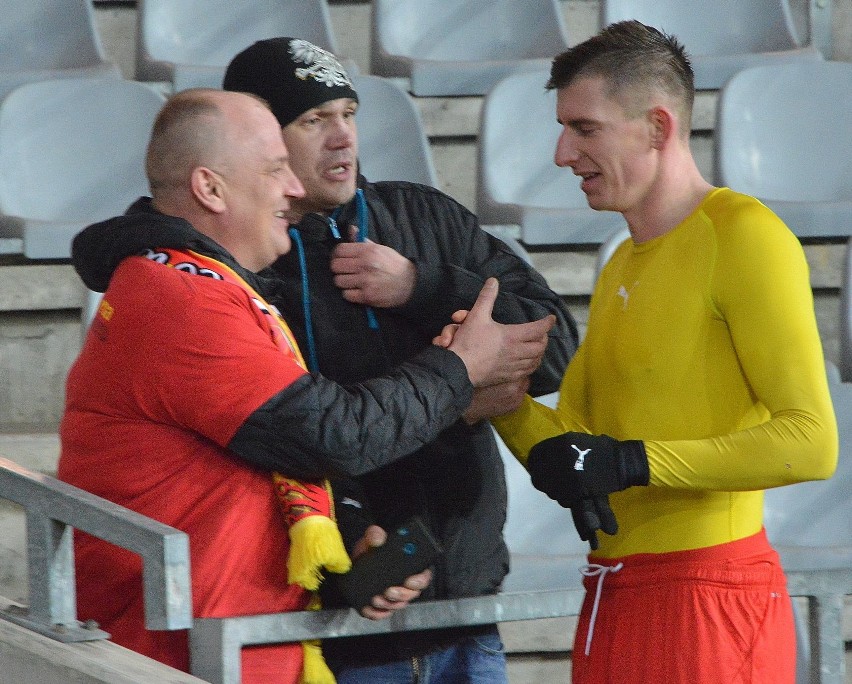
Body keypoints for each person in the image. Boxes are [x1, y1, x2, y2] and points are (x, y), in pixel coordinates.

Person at [57, 89, 555, 684]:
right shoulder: (180, 297)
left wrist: (344, 556)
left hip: (232, 645)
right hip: (185, 658)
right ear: (210, 189)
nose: (295, 190)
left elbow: (259, 463)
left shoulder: (203, 286)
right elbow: (331, 434)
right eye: (275, 171)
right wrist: (459, 367)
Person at [485, 20, 838, 684]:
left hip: (710, 595)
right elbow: (580, 456)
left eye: (584, 129)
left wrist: (630, 461)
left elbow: (812, 442)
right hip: (617, 590)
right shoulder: (622, 262)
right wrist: (494, 393)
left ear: (657, 126)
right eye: (563, 128)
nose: (562, 153)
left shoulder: (744, 236)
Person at [221, 37, 579, 683]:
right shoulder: (249, 265)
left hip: (468, 606)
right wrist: (353, 529)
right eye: (313, 120)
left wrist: (424, 286)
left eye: (348, 114)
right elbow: (297, 436)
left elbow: (559, 348)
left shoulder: (422, 216)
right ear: (262, 141)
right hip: (338, 626)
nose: (341, 139)